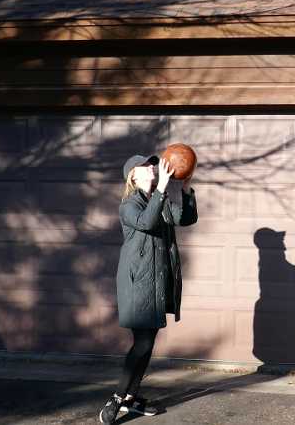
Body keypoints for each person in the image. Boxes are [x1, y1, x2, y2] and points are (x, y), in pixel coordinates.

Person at [99, 154, 197, 424]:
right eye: (145, 165)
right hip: (137, 283)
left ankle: (131, 398)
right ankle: (117, 398)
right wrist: (162, 189)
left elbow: (185, 219)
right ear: (133, 175)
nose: (152, 167)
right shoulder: (129, 205)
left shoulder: (159, 199)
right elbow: (146, 222)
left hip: (156, 281)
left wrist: (185, 187)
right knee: (142, 343)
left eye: (152, 164)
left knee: (147, 343)